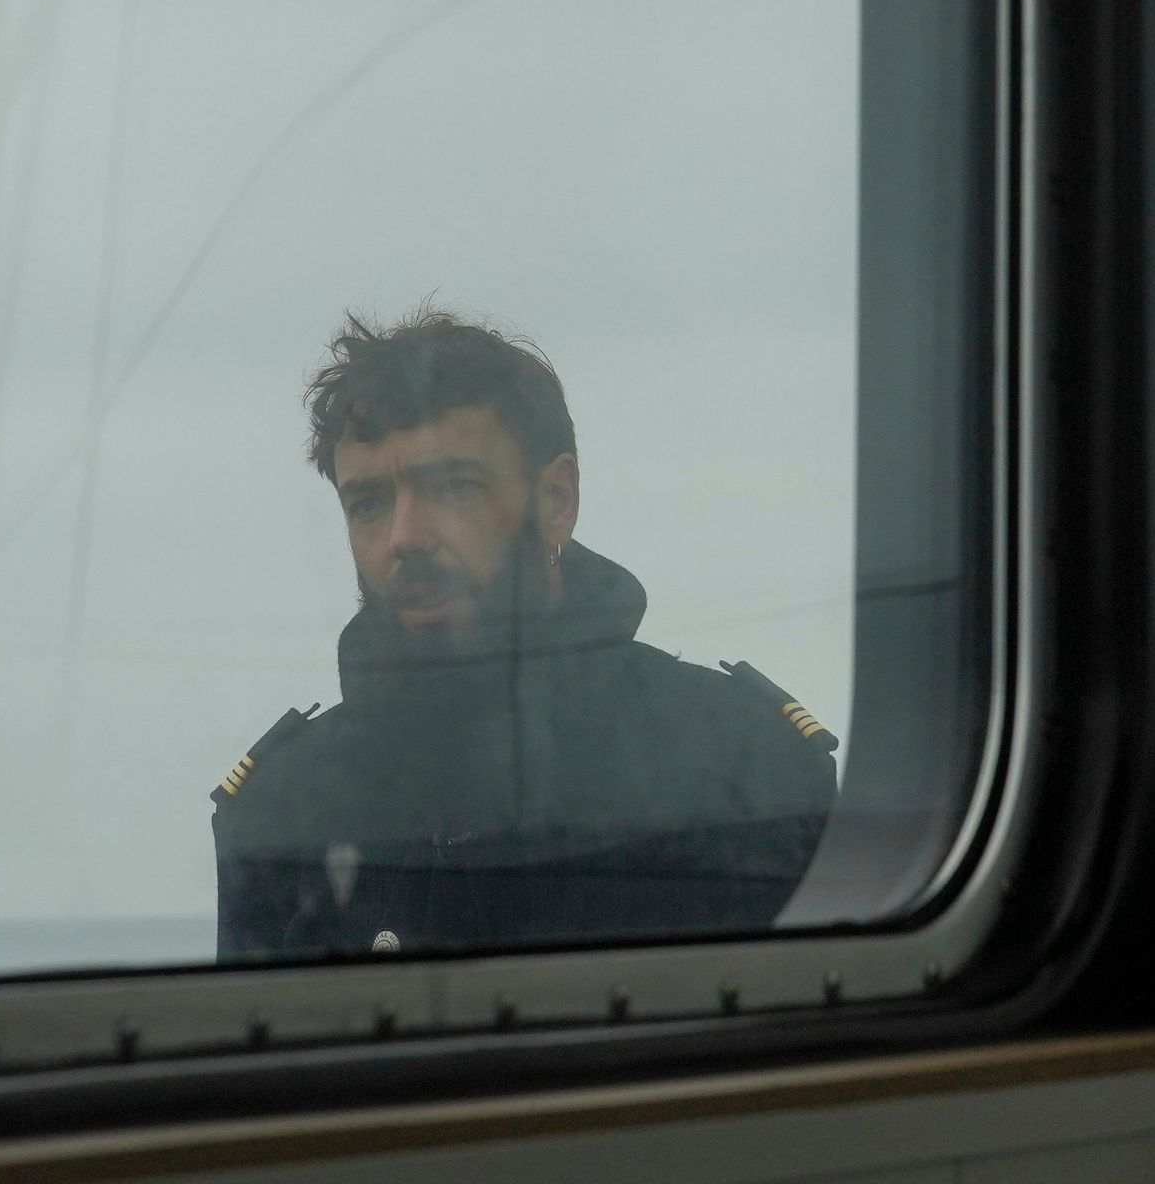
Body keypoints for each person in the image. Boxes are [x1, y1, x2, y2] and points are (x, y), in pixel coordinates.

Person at [211, 309, 838, 961]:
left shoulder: (744, 768)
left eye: (452, 487)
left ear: (556, 500)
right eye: (367, 502)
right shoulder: (282, 813)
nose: (405, 536)